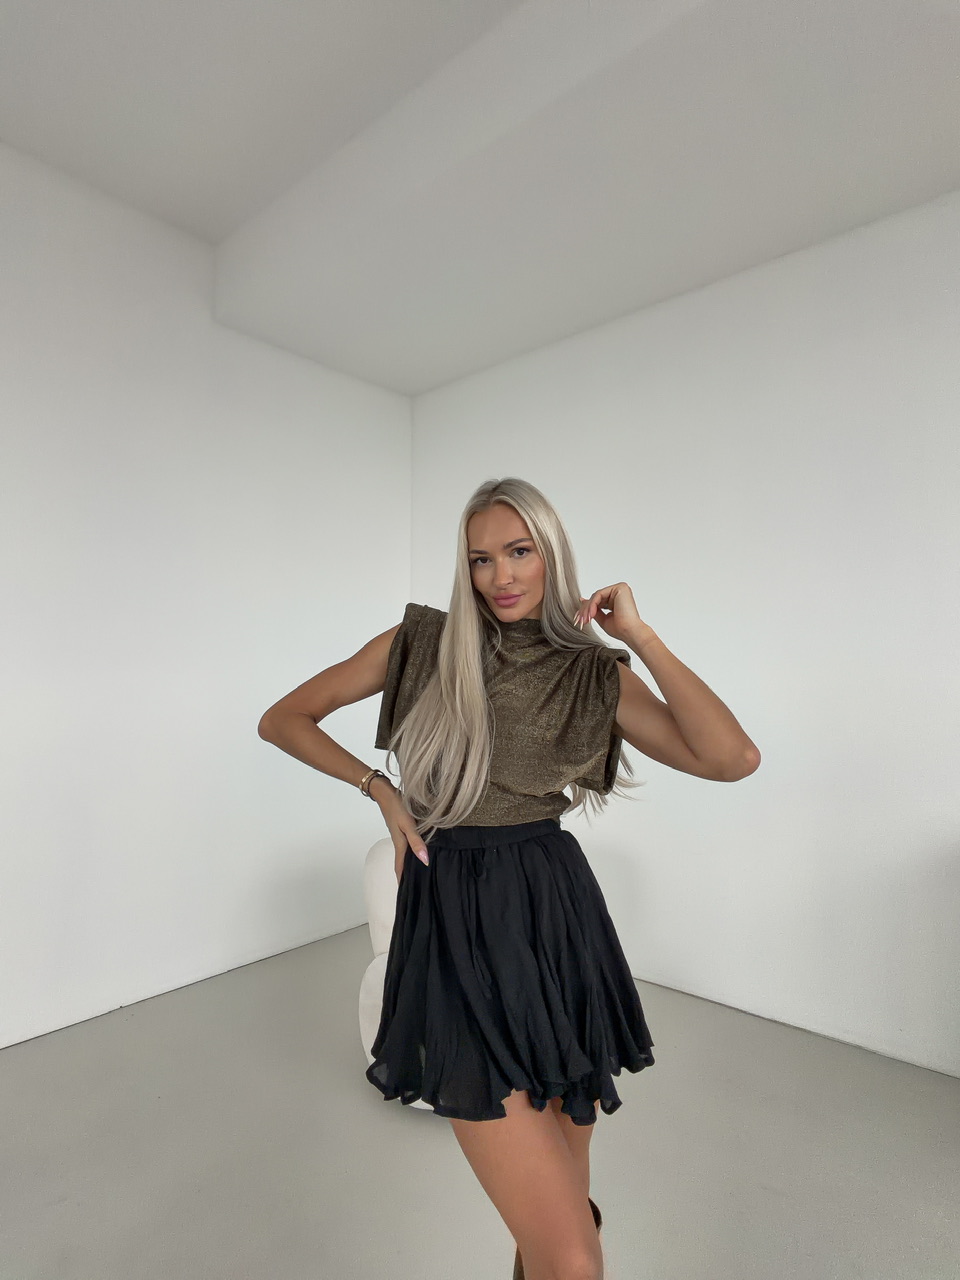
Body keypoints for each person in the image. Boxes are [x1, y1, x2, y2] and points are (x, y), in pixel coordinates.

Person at [258, 476, 760, 1280]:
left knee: (560, 1224)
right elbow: (283, 718)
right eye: (481, 558)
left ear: (551, 554)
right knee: (574, 1258)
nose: (501, 575)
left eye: (519, 551)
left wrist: (642, 637)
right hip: (454, 920)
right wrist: (381, 790)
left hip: (554, 919)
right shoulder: (422, 641)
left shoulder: (591, 672)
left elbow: (730, 758)